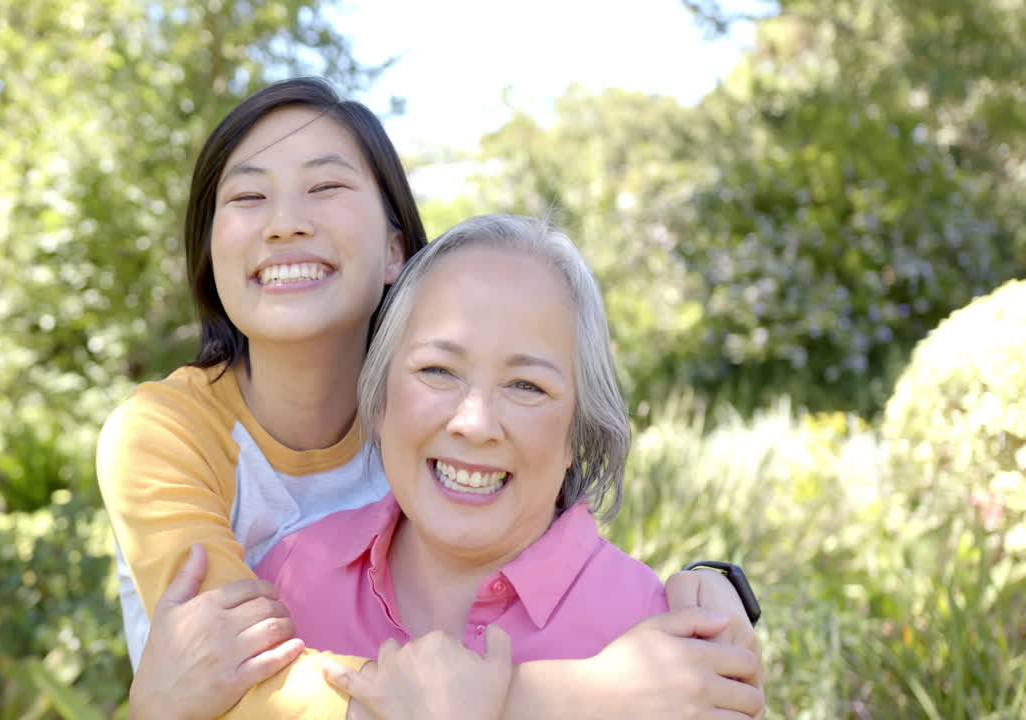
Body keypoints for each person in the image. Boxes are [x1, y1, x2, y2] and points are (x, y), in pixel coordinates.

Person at [97, 78, 762, 720]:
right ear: (209, 252)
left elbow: (547, 544)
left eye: (326, 186)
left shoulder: (428, 419)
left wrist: (708, 587)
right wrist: (571, 700)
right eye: (247, 197)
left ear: (396, 252)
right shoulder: (174, 441)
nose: (285, 223)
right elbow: (232, 678)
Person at [256, 214, 763, 719]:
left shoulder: (662, 644)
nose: (474, 423)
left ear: (577, 431)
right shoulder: (292, 574)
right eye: (438, 370)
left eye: (526, 386)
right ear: (382, 397)